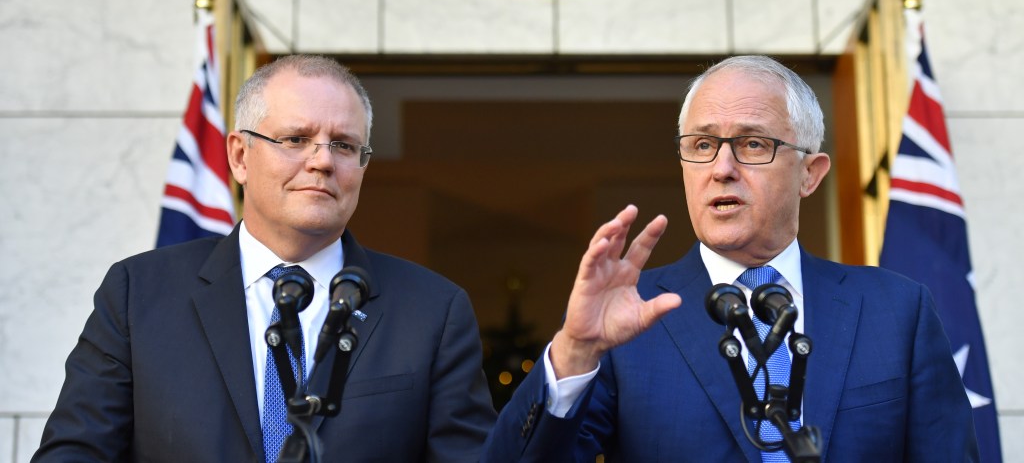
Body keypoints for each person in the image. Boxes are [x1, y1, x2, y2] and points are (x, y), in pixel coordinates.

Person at [485, 55, 978, 461]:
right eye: (702, 144)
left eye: (752, 144)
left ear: (810, 173)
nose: (721, 168)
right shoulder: (628, 318)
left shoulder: (897, 311)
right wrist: (575, 351)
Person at [33, 55, 496, 462]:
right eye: (296, 139)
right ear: (239, 156)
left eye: (343, 145)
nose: (322, 161)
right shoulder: (138, 294)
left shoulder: (432, 311)